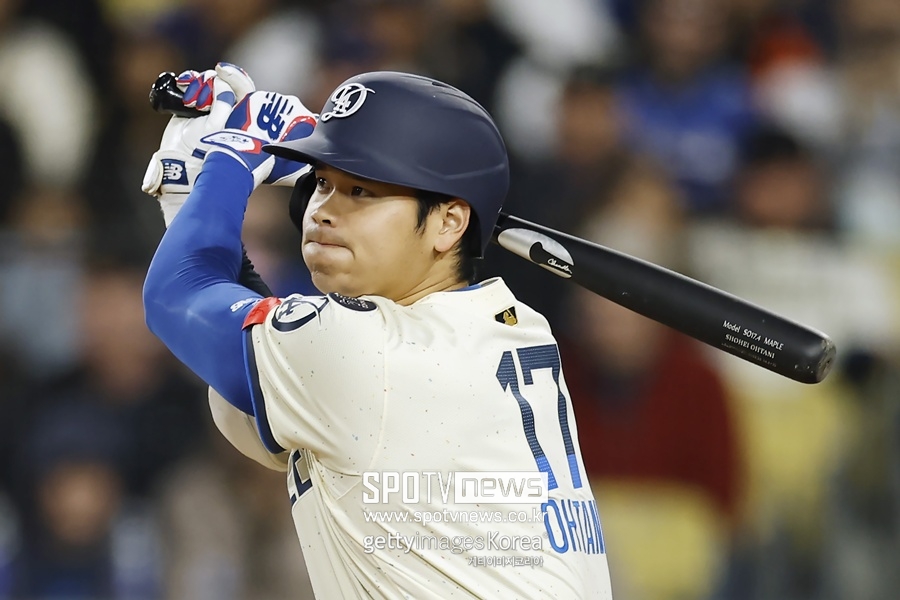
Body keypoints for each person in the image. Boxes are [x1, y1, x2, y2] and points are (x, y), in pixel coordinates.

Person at [141, 64, 612, 598]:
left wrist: (228, 164)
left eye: (362, 191)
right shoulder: (514, 327)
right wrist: (195, 201)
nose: (323, 211)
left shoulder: (373, 355)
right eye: (323, 182)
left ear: (449, 222)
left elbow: (176, 295)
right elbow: (252, 338)